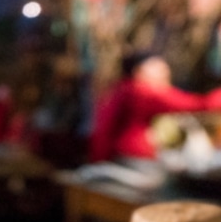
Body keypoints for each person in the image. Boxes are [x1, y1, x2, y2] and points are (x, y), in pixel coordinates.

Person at [88, 52, 221, 162]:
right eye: (158, 68)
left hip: (117, 154)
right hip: (132, 156)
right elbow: (200, 104)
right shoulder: (142, 92)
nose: (165, 72)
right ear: (138, 70)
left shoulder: (123, 88)